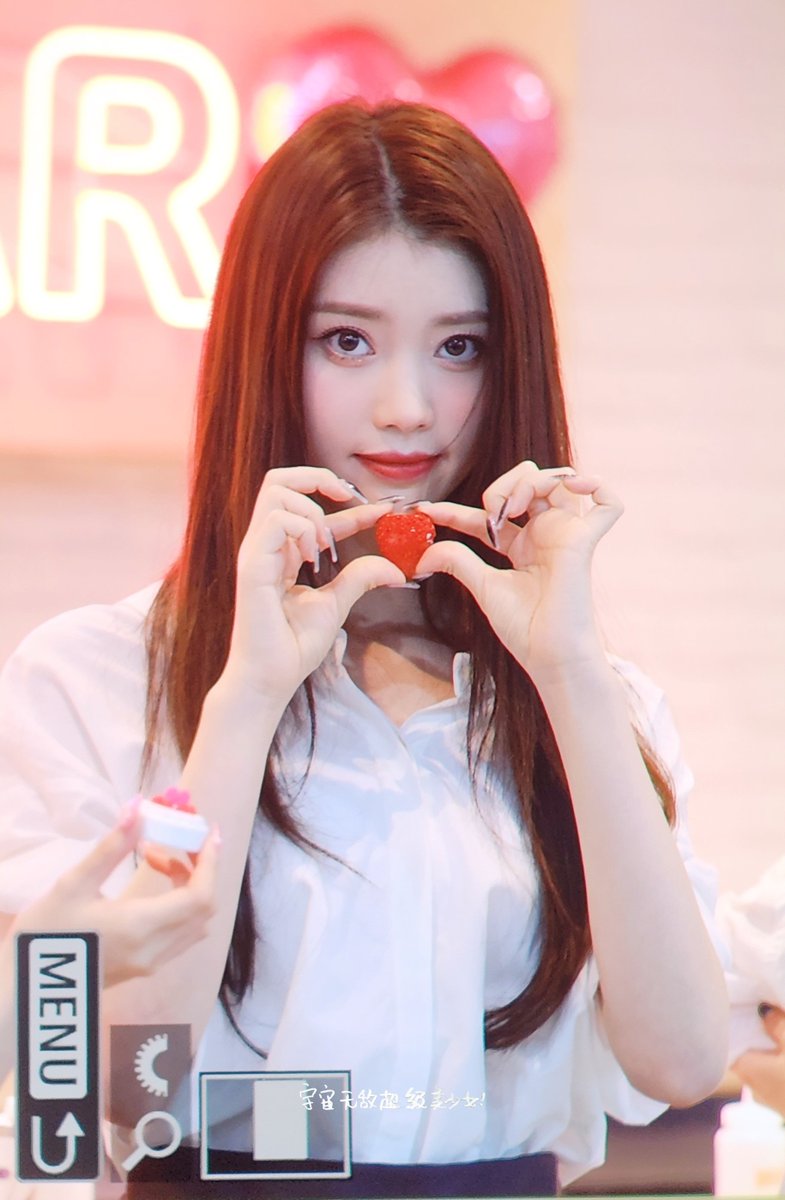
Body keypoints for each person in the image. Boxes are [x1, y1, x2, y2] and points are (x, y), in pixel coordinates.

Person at [0, 100, 729, 1197]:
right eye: (346, 340)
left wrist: (569, 674)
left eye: (459, 347)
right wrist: (246, 697)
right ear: (264, 350)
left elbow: (678, 1060)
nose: (407, 408)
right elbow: (117, 1093)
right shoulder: (96, 679)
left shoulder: (587, 697)